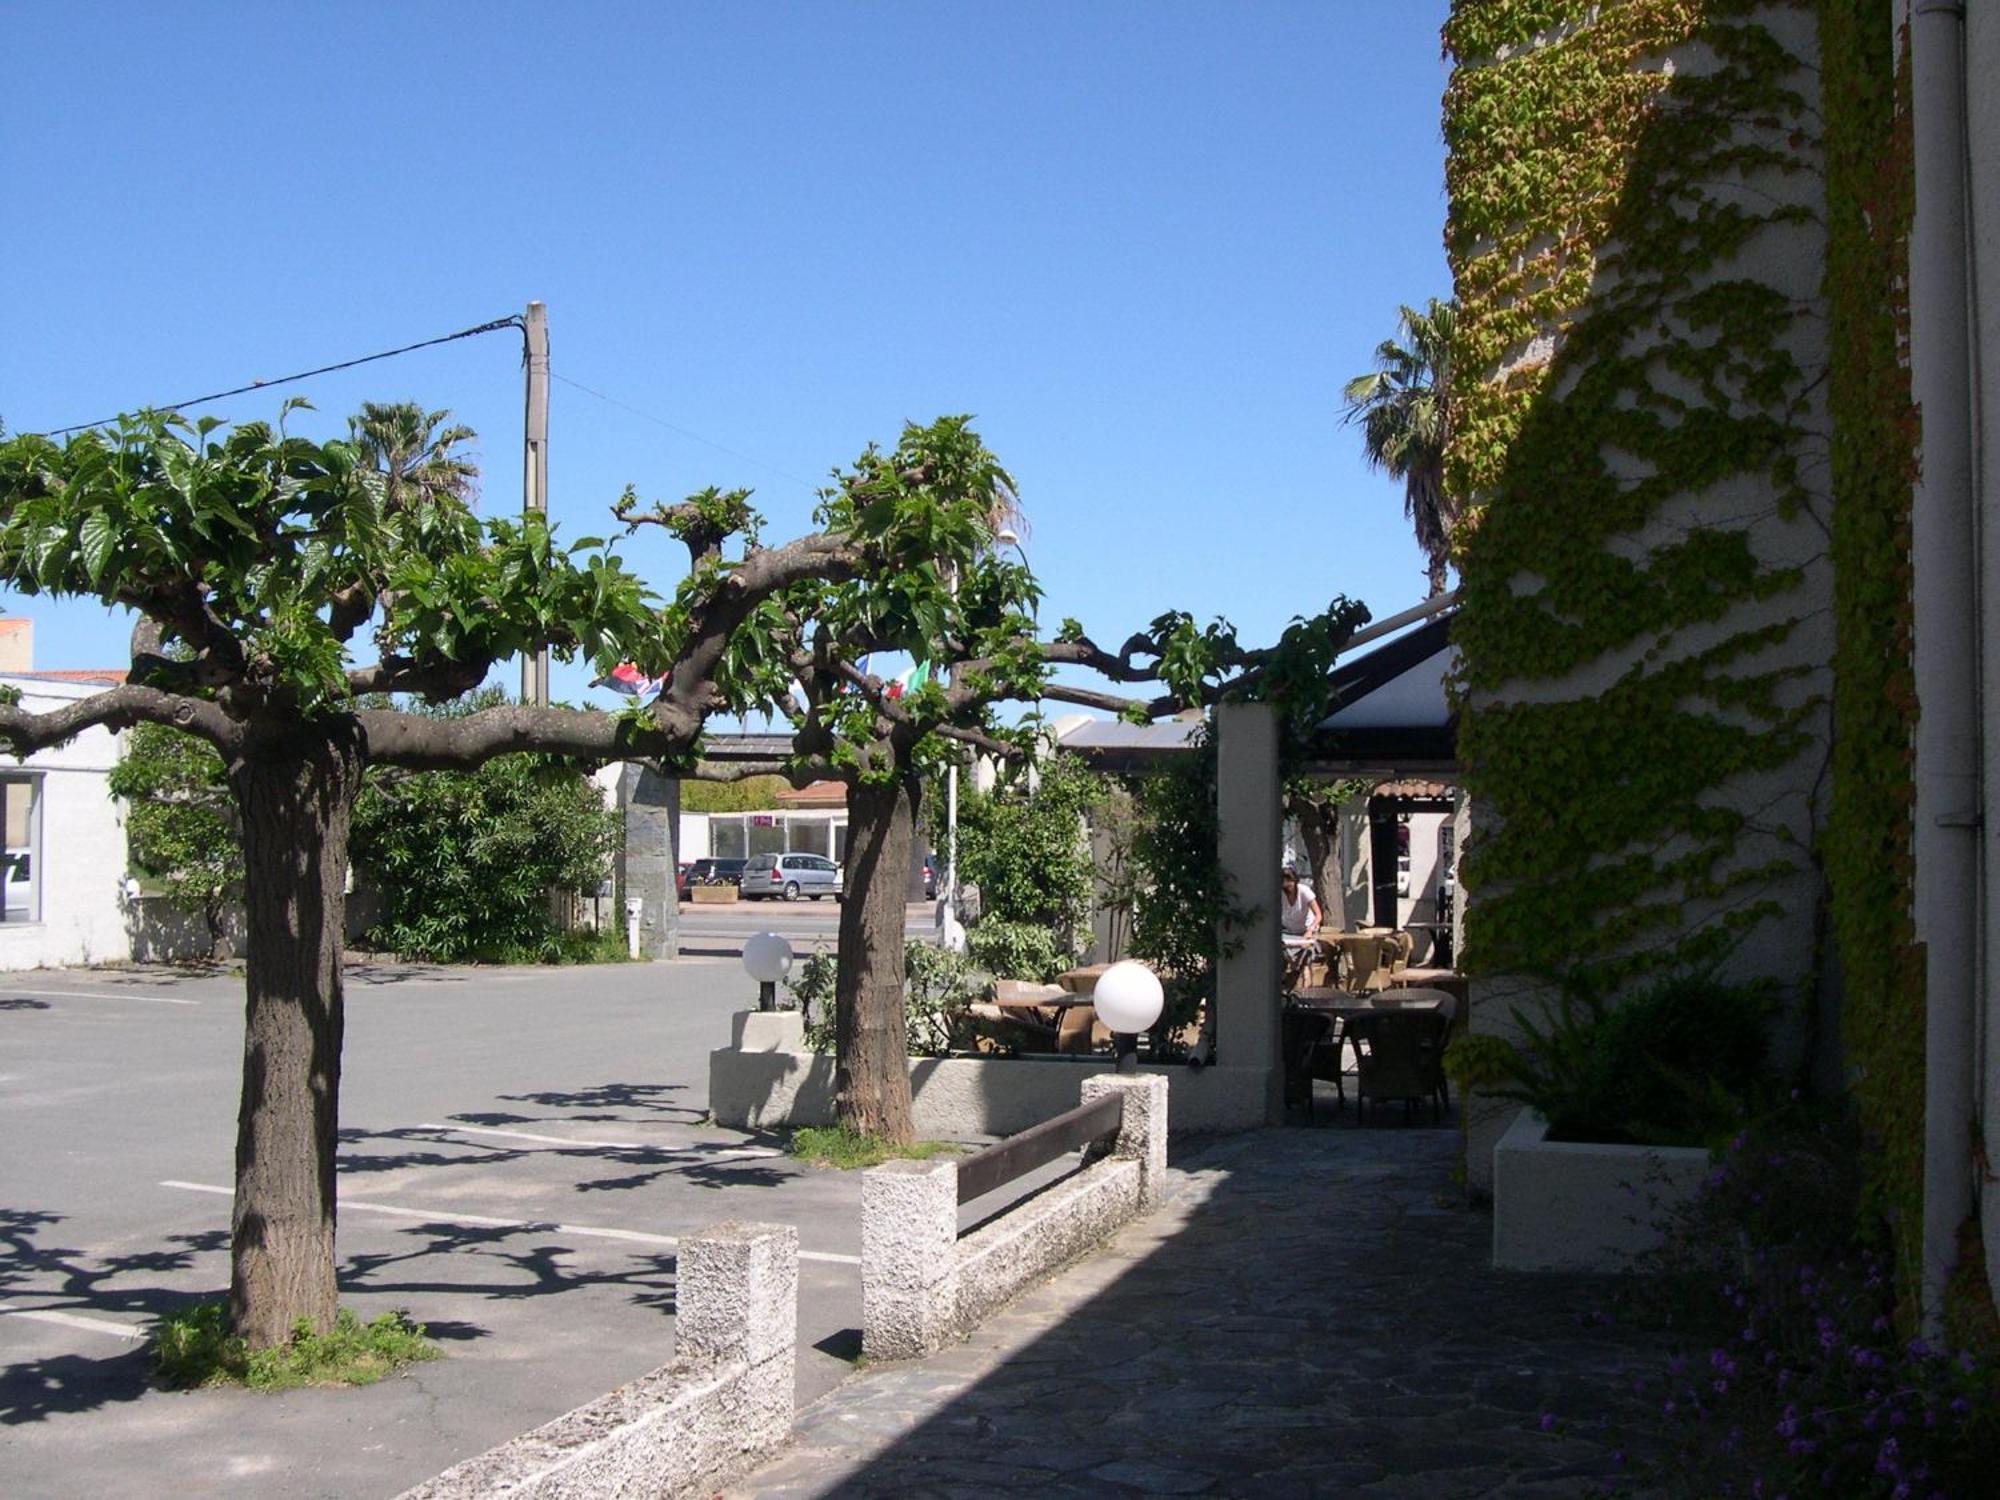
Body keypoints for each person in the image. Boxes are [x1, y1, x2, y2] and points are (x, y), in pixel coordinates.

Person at [1280, 864, 1322, 939]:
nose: (1288, 888)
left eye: (1289, 883)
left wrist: (1310, 930)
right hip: (1289, 931)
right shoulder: (1281, 893)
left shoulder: (1304, 891)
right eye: (1284, 885)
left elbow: (1318, 915)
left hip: (1306, 930)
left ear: (1295, 881)